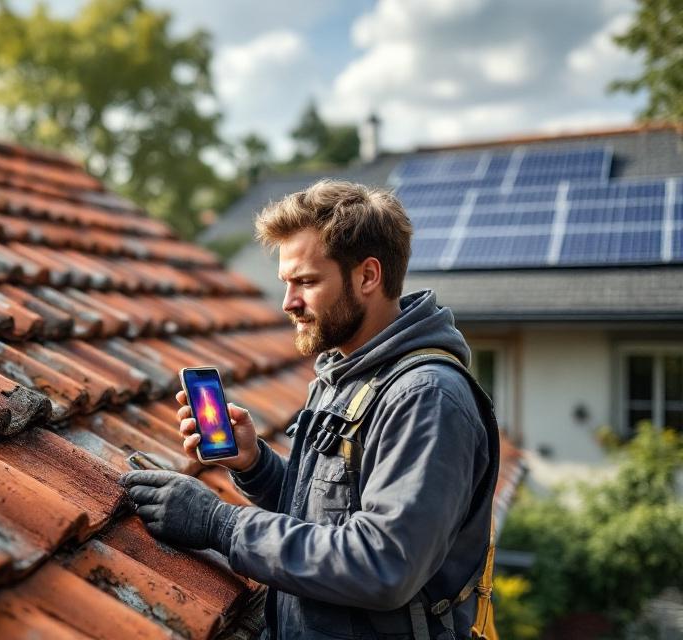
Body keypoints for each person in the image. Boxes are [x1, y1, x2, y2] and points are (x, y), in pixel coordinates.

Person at [120, 180, 499, 639]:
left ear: (367, 277)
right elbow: (326, 518)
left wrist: (218, 523)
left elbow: (383, 565)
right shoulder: (345, 373)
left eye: (306, 282)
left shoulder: (426, 397)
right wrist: (256, 465)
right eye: (286, 283)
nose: (288, 303)